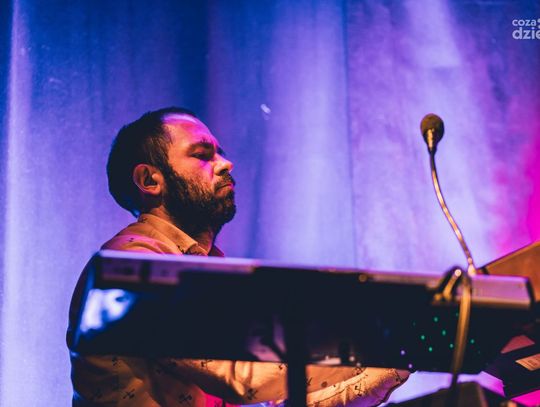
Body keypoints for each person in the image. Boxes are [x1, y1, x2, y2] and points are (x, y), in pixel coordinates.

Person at [67, 107, 409, 406]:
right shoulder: (132, 265)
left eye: (220, 153)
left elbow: (278, 397)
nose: (226, 164)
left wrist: (399, 356)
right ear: (149, 179)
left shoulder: (204, 268)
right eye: (203, 154)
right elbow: (241, 378)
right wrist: (375, 336)